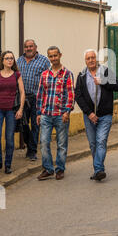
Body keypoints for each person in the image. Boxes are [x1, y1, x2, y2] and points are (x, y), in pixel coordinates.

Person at [75, 49, 118, 181]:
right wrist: (89, 113)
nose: (91, 60)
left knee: (101, 141)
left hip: (105, 114)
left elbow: (117, 86)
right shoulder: (82, 75)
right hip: (89, 116)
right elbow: (78, 95)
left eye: (93, 58)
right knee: (93, 144)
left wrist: (103, 82)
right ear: (85, 61)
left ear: (97, 59)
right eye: (88, 58)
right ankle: (98, 170)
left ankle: (99, 169)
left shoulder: (106, 71)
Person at [36, 46, 74, 181]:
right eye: (51, 56)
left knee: (61, 144)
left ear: (60, 55)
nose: (53, 58)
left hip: (60, 115)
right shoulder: (44, 75)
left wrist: (67, 111)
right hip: (46, 114)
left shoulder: (67, 74)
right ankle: (48, 169)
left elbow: (70, 94)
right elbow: (40, 94)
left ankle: (59, 169)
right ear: (49, 57)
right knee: (44, 142)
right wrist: (38, 113)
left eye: (55, 55)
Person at [17, 39, 50, 161]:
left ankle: (32, 151)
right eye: (26, 46)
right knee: (23, 124)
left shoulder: (44, 60)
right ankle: (30, 145)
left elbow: (49, 78)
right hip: (22, 99)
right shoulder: (19, 60)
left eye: (31, 46)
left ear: (35, 47)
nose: (28, 48)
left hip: (37, 98)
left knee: (36, 125)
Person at [0, 51, 25, 174]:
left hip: (11, 110)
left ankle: (8, 164)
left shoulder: (17, 75)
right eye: (7, 58)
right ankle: (0, 161)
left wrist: (20, 109)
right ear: (2, 60)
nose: (10, 60)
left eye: (12, 58)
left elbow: (22, 92)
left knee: (9, 138)